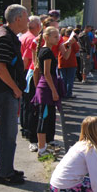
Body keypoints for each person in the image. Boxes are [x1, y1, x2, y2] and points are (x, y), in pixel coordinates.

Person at [0, 4, 28, 185]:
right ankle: (4, 172)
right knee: (6, 134)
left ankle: (4, 167)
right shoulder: (5, 38)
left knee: (6, 133)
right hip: (4, 92)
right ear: (18, 19)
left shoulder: (6, 35)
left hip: (5, 91)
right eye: (26, 17)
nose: (28, 20)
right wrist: (15, 88)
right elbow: (0, 67)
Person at [50, 116, 97, 192]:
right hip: (67, 188)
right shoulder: (90, 150)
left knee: (90, 185)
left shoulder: (79, 144)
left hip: (55, 184)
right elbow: (95, 180)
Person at [31, 26, 63, 158]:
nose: (58, 38)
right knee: (43, 118)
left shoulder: (45, 51)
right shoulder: (47, 52)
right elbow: (46, 73)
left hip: (44, 88)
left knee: (48, 117)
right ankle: (41, 148)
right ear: (47, 37)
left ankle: (45, 145)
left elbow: (36, 71)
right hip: (46, 90)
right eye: (55, 36)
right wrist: (54, 91)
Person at [59, 28, 80, 99]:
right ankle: (69, 93)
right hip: (71, 62)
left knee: (63, 78)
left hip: (61, 61)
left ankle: (63, 92)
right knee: (70, 79)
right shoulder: (72, 41)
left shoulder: (61, 39)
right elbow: (77, 49)